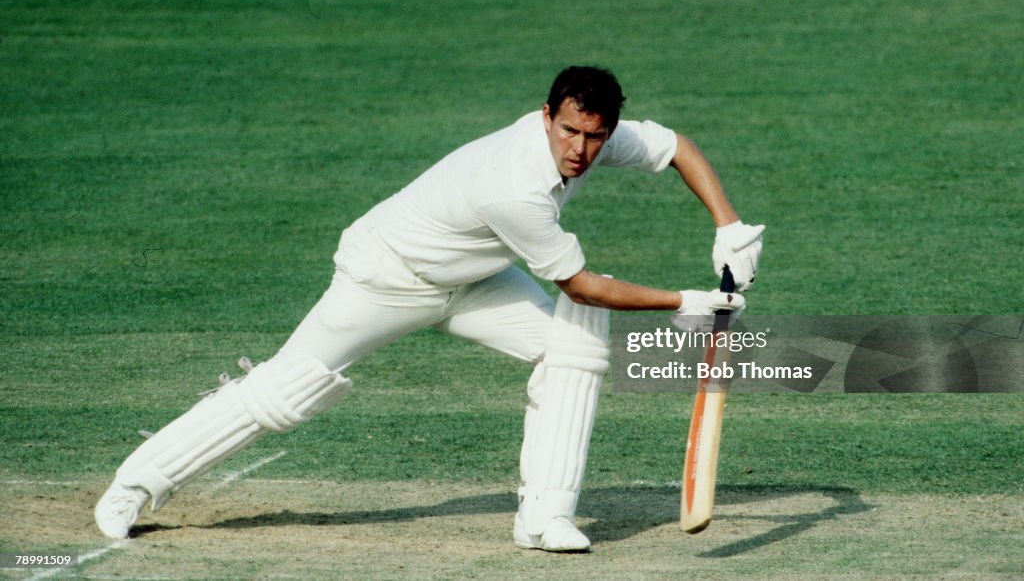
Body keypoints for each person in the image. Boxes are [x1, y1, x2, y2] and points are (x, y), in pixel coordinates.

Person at [94, 66, 764, 552]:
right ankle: (137, 484)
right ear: (546, 115)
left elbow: (676, 147)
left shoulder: (599, 139)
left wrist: (727, 226)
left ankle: (544, 518)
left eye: (593, 137)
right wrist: (687, 301)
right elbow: (582, 286)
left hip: (474, 280)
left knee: (572, 351)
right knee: (287, 389)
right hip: (386, 276)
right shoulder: (516, 184)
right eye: (567, 132)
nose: (578, 151)